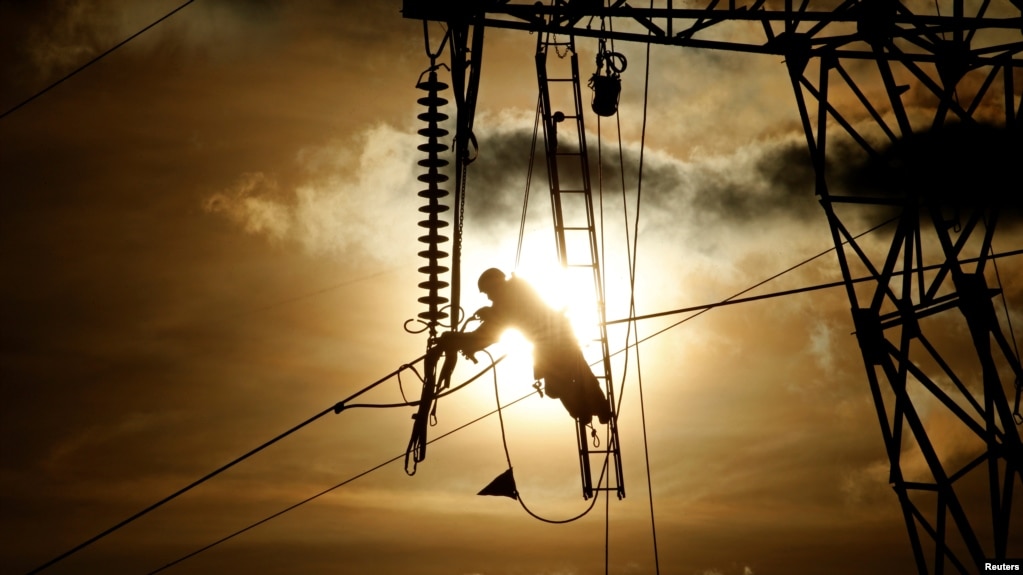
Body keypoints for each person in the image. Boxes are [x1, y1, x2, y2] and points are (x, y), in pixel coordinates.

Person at [453, 268, 612, 424]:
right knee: (574, 376)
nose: (488, 297)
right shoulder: (515, 290)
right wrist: (473, 339)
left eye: (488, 292)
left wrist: (470, 339)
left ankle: (591, 409)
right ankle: (591, 409)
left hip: (554, 345)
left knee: (568, 381)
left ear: (494, 285)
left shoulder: (514, 292)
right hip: (555, 343)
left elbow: (496, 326)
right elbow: (497, 324)